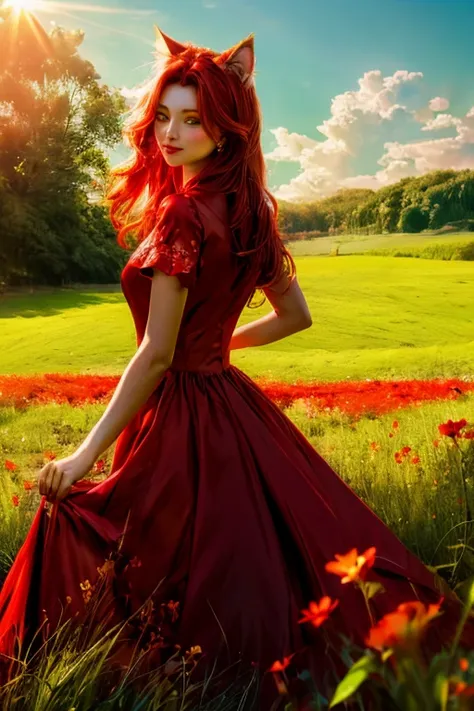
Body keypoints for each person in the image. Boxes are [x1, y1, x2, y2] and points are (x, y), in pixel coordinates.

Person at [0, 26, 472, 710]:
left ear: (227, 126)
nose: (171, 132)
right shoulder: (252, 213)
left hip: (178, 414)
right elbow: (294, 315)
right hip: (228, 404)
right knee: (246, 558)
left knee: (98, 532)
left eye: (193, 119)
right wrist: (220, 349)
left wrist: (82, 454)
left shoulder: (182, 216)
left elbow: (156, 352)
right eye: (164, 115)